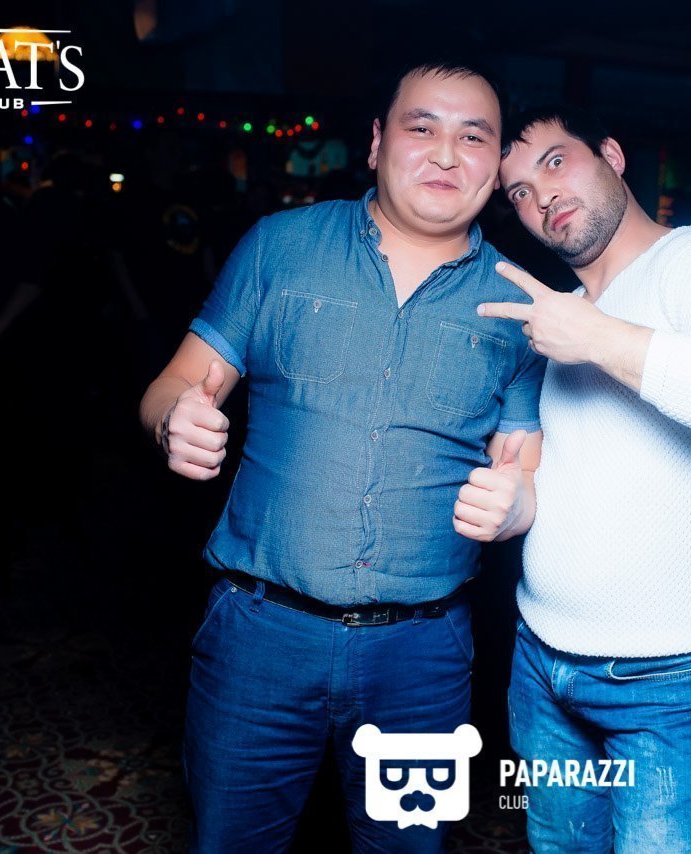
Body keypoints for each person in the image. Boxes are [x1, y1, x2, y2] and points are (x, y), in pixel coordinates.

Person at [138, 62, 546, 851]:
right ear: (377, 142)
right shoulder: (280, 247)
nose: (446, 154)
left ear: (497, 167)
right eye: (422, 128)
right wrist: (171, 421)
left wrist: (519, 502)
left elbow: (522, 468)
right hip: (259, 636)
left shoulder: (524, 304)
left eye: (474, 138)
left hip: (421, 654)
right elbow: (174, 384)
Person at [483, 106, 691, 851]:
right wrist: (512, 504)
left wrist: (597, 336)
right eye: (520, 192)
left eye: (555, 162)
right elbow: (570, 476)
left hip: (668, 679)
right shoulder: (559, 315)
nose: (541, 196)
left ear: (612, 154)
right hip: (540, 662)